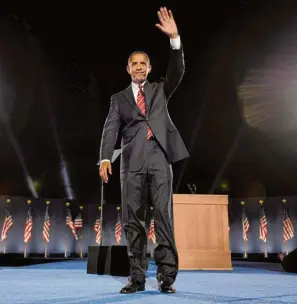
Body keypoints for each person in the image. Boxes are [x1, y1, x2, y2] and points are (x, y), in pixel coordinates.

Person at [99, 7, 189, 294]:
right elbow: (111, 128)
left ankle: (167, 277)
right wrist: (104, 156)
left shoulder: (160, 90)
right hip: (131, 164)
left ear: (149, 68)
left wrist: (175, 39)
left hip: (161, 159)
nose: (138, 67)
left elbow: (177, 71)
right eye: (133, 64)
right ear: (128, 69)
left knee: (163, 216)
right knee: (132, 222)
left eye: (143, 63)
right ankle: (136, 278)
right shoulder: (119, 98)